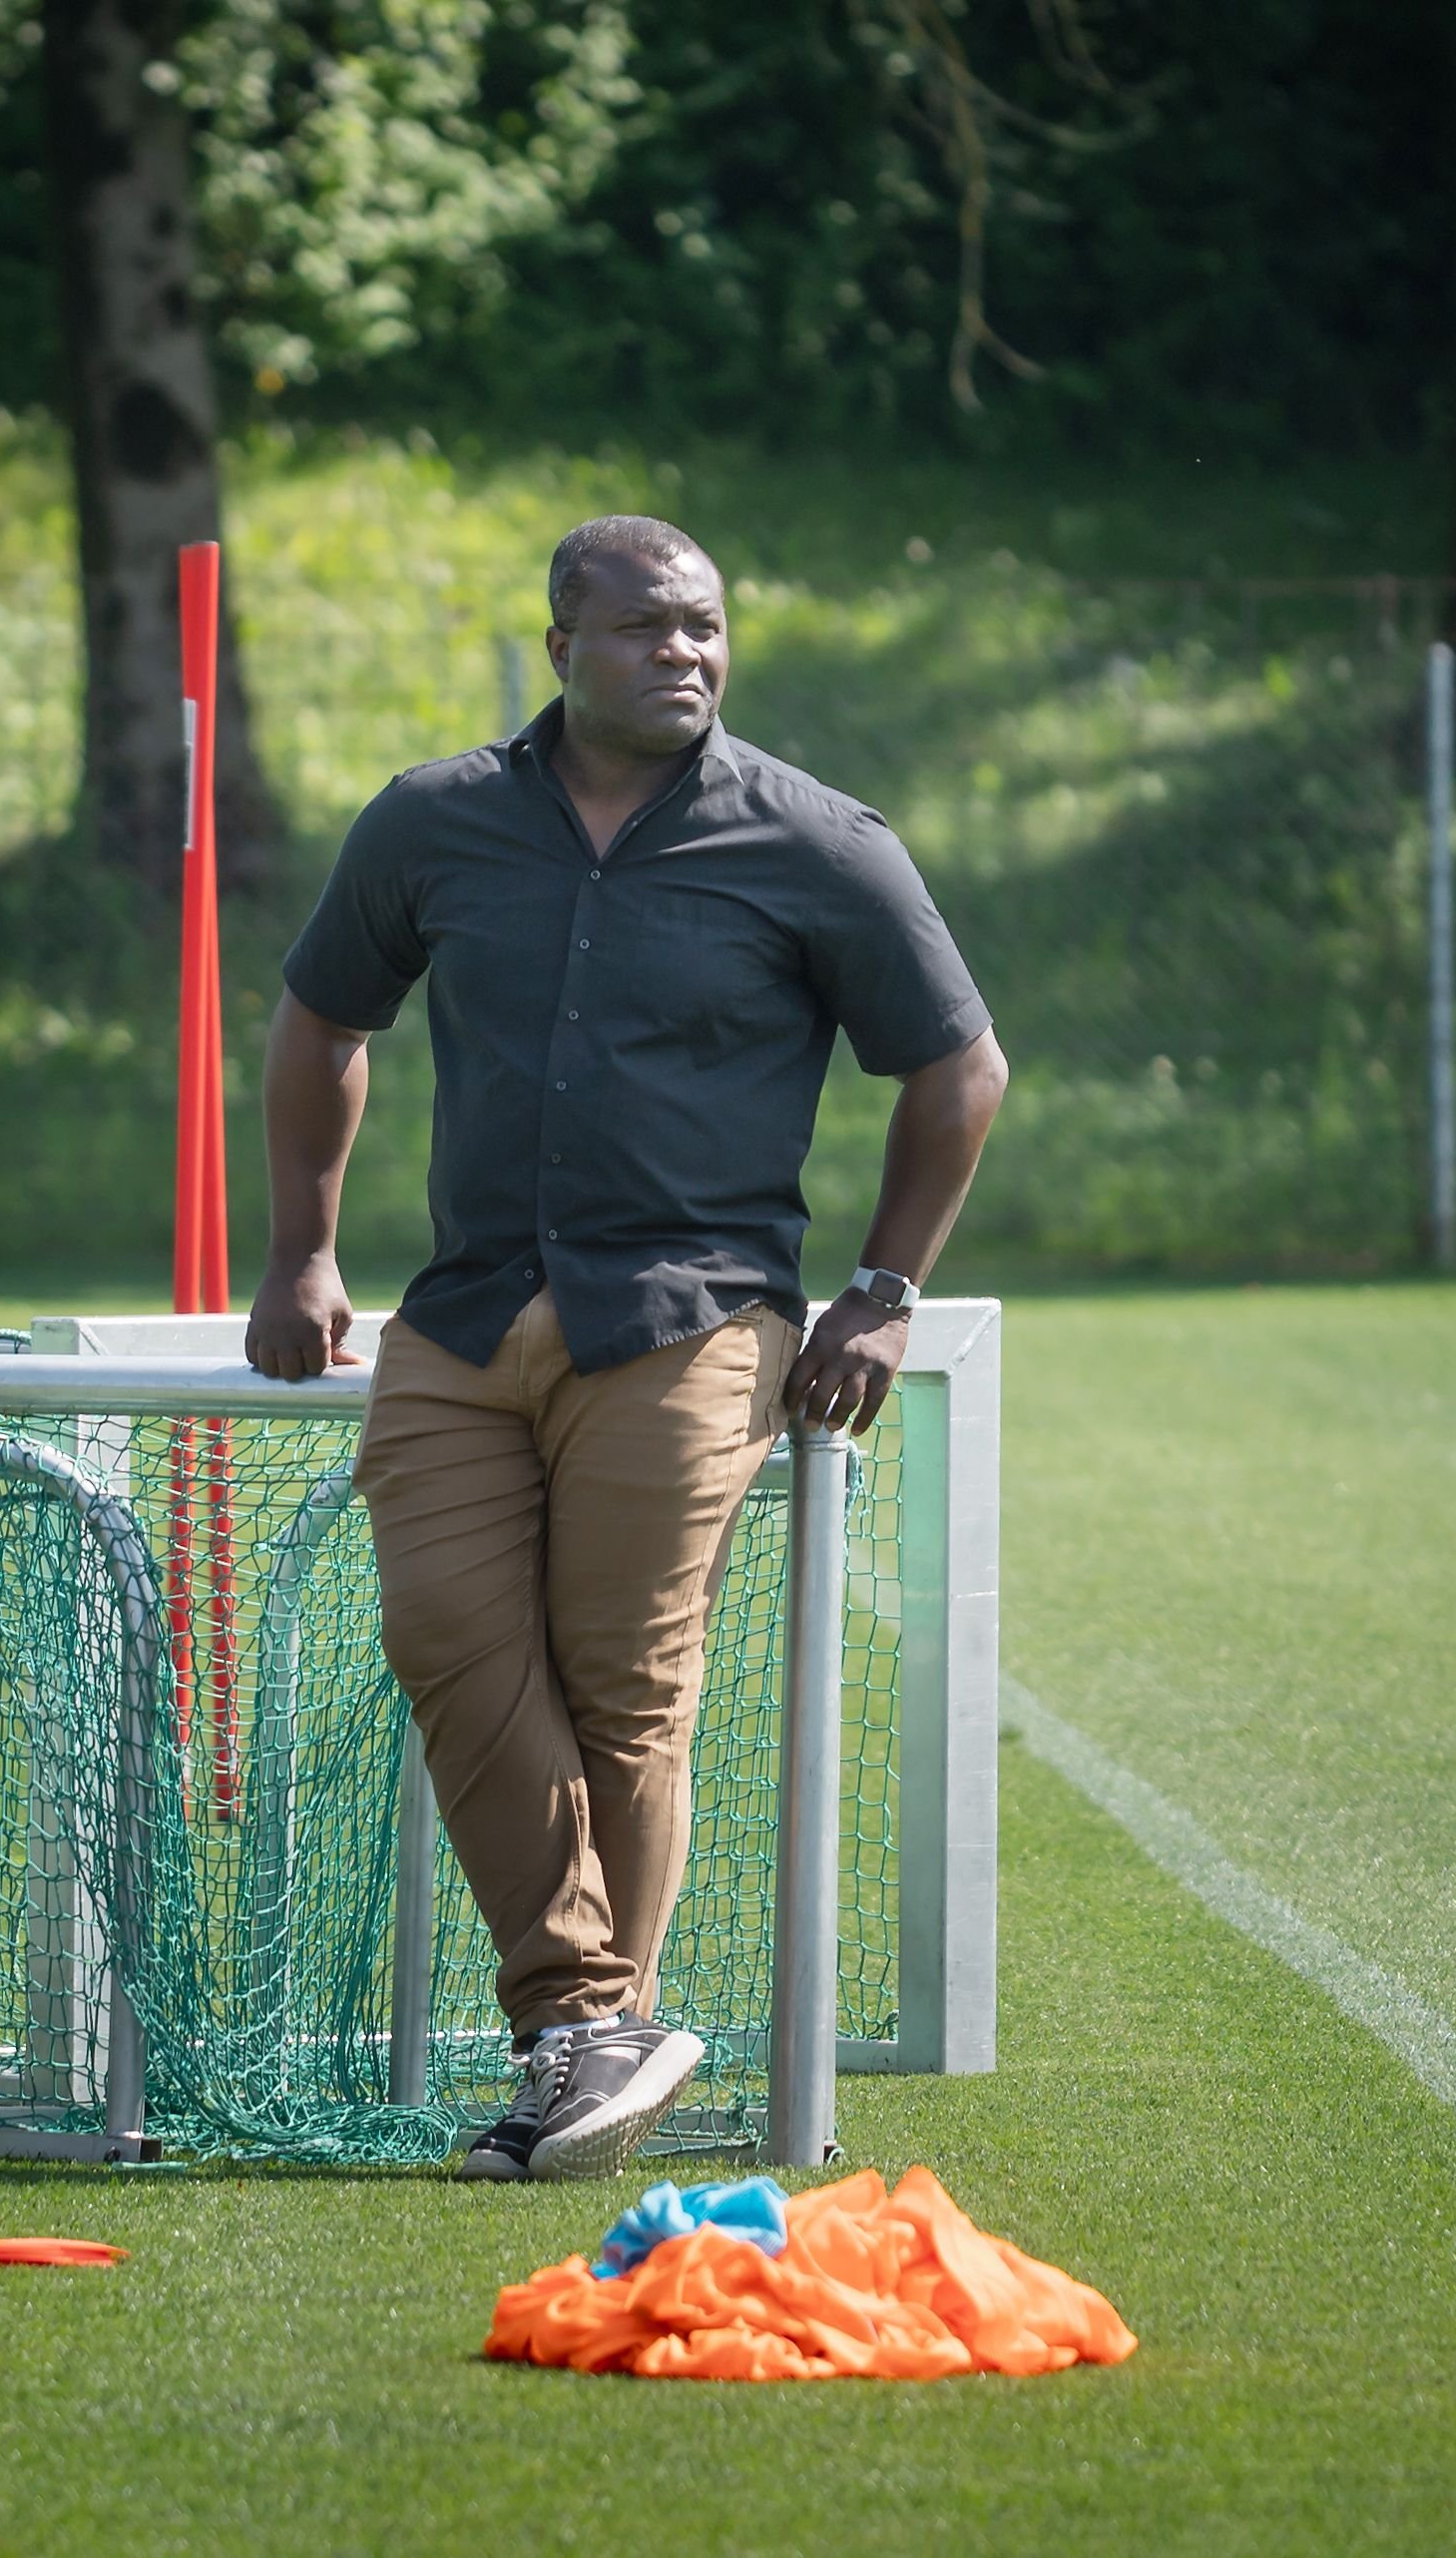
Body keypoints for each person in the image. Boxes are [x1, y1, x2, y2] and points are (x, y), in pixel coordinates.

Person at [245, 514, 1008, 2181]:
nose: (687, 653)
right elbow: (324, 1021)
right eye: (649, 627)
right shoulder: (434, 820)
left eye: (709, 629)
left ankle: (576, 2036)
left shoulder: (820, 842)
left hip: (693, 1316)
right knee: (445, 1633)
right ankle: (601, 2026)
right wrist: (303, 1246)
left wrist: (880, 1292)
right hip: (460, 1310)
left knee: (623, 1691)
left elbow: (958, 1070)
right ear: (560, 647)